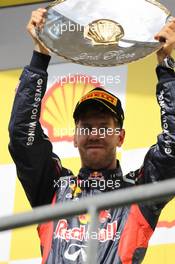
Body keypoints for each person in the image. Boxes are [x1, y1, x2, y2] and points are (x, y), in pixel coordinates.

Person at [8, 8, 175, 264]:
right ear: (74, 138)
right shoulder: (53, 188)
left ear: (120, 137)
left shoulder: (140, 192)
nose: (95, 134)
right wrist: (40, 55)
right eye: (86, 127)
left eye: (104, 127)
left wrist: (165, 65)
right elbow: (22, 137)